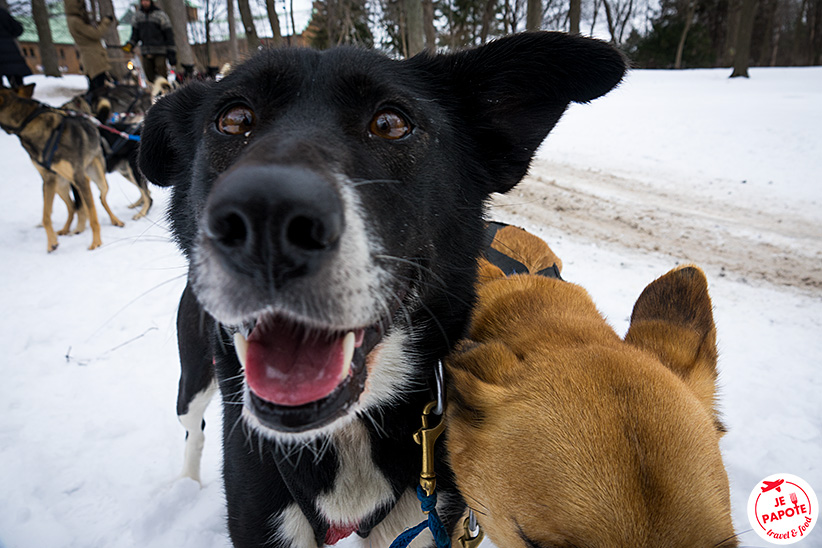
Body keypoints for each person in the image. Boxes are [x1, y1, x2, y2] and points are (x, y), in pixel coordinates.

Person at [63, 0, 114, 94]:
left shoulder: (74, 19)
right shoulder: (75, 21)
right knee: (98, 90)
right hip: (93, 58)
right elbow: (95, 34)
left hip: (91, 58)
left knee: (96, 87)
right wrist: (105, 22)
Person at [122, 0, 175, 84]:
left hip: (160, 50)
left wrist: (171, 51)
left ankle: (165, 91)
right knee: (149, 75)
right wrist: (130, 45)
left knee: (161, 72)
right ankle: (154, 92)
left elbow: (169, 34)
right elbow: (135, 35)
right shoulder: (138, 16)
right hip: (145, 51)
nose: (144, 3)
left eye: (146, 1)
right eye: (143, 1)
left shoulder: (160, 15)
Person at [0, 6, 32, 88]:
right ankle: (22, 100)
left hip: (8, 55)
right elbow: (18, 29)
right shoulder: (2, 13)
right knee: (18, 88)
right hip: (9, 54)